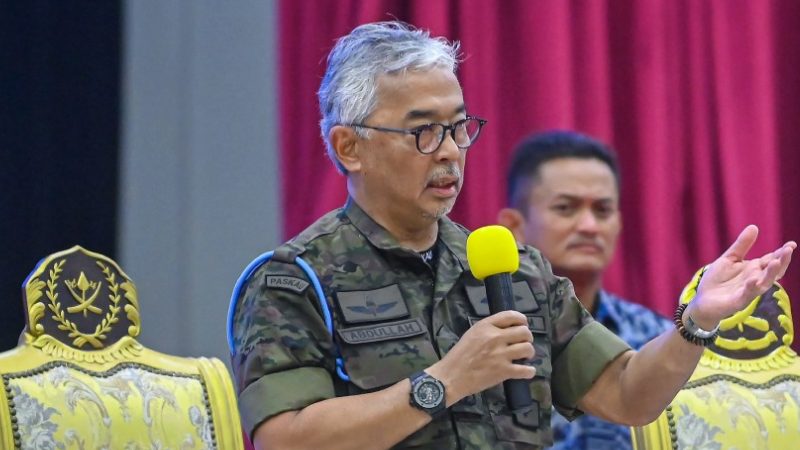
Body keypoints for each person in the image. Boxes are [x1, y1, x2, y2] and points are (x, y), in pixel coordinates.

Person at [229, 21, 795, 450]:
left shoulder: (515, 268)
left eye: (458, 127)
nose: (450, 151)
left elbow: (627, 394)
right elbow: (284, 438)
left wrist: (696, 321)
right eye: (424, 131)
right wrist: (444, 382)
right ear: (349, 147)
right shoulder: (293, 280)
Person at [497, 131, 673, 450]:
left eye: (602, 210)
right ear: (514, 226)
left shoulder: (658, 337)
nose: (589, 226)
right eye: (566, 208)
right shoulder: (487, 335)